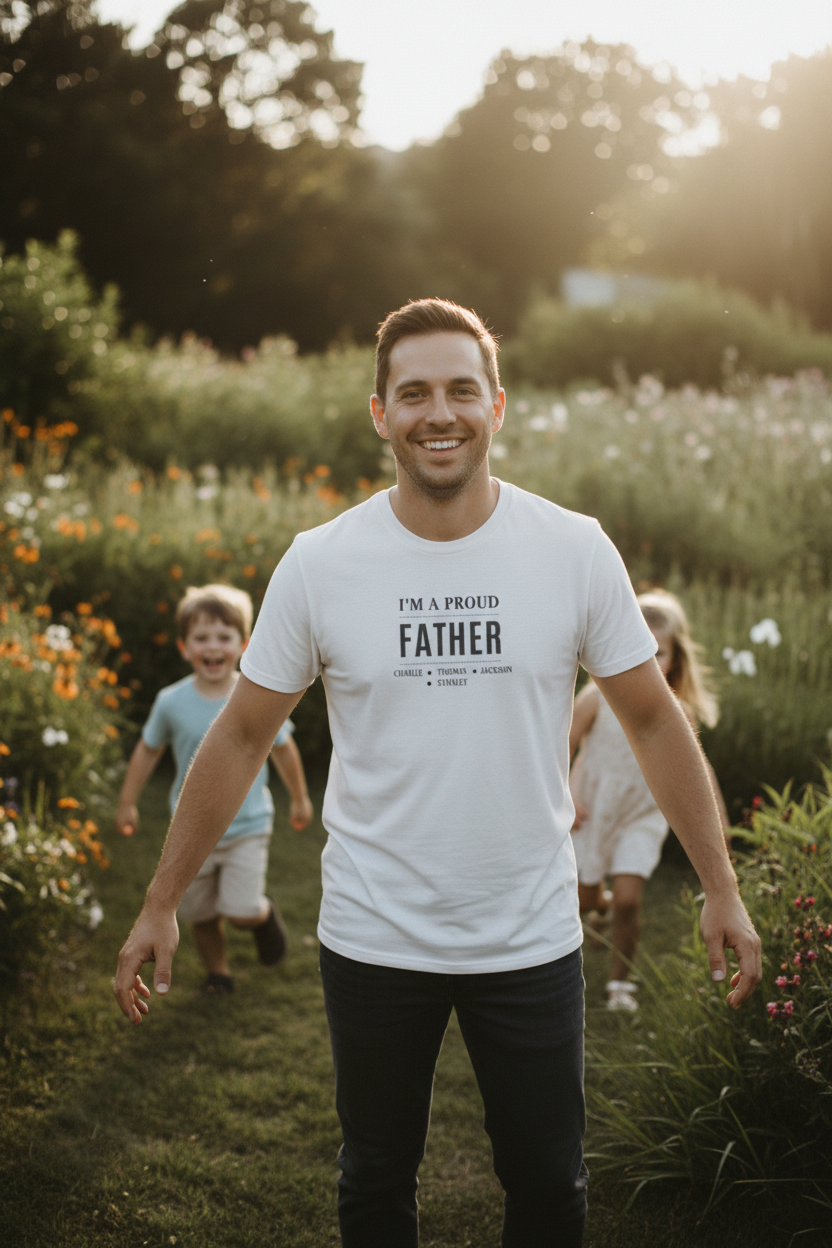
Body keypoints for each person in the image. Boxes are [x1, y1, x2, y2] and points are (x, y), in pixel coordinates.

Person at [114, 300, 761, 1247]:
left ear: (497, 405)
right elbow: (244, 734)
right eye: (413, 393)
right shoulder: (321, 564)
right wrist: (163, 899)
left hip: (531, 935)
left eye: (462, 389)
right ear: (380, 413)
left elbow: (655, 719)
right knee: (376, 1176)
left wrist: (720, 886)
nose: (440, 413)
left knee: (548, 1182)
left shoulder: (573, 549)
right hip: (374, 935)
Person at [115, 583, 313, 994]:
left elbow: (283, 750)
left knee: (238, 909)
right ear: (184, 648)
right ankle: (218, 973)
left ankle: (260, 916)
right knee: (201, 913)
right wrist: (128, 801)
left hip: (247, 827)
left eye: (224, 637)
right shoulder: (171, 702)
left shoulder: (255, 696)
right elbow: (148, 750)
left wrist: (299, 797)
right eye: (201, 637)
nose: (212, 646)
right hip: (193, 831)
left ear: (244, 645)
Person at [569, 589, 731, 1012]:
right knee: (584, 900)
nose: (650, 660)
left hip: (641, 815)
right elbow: (560, 745)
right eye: (641, 647)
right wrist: (566, 791)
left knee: (629, 900)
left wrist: (720, 826)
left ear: (675, 659)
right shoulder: (595, 698)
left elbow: (699, 772)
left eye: (660, 652)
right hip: (592, 809)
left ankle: (620, 984)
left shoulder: (678, 714)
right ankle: (599, 905)